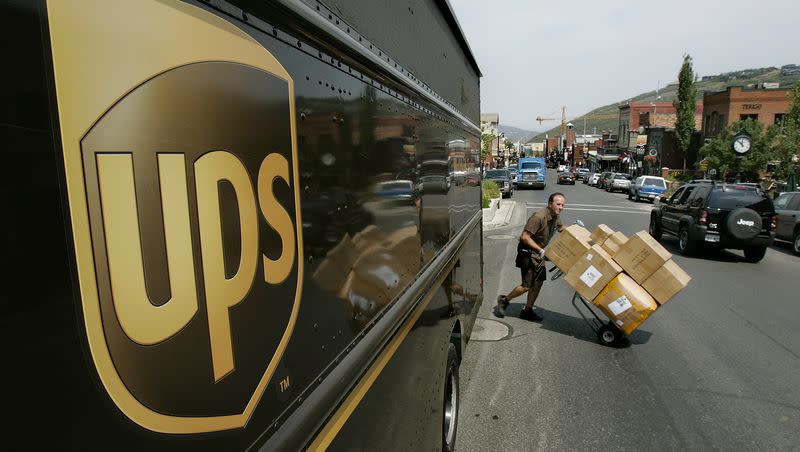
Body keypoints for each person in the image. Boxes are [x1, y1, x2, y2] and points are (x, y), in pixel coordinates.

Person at [496, 192, 565, 321]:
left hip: (538, 253)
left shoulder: (555, 216)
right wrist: (540, 250)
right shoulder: (538, 217)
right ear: (550, 204)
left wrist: (575, 230)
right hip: (527, 252)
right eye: (558, 204)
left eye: (562, 205)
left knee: (538, 283)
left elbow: (562, 229)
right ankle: (504, 300)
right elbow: (524, 237)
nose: (561, 207)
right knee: (527, 285)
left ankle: (527, 310)